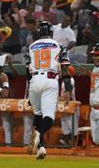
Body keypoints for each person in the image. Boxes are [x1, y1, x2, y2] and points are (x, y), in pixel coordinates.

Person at [26, 21, 72, 160]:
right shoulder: (59, 46)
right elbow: (65, 69)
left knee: (38, 114)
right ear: (51, 32)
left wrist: (29, 91)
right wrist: (68, 89)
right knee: (48, 117)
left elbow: (27, 71)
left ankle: (40, 147)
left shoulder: (31, 46)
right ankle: (39, 134)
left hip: (34, 80)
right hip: (50, 79)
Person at [59, 65, 78, 146]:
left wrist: (65, 102)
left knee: (71, 127)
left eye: (66, 71)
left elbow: (68, 93)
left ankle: (73, 145)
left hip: (69, 105)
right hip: (66, 105)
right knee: (65, 126)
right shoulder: (68, 80)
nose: (63, 72)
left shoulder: (68, 80)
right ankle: (67, 144)